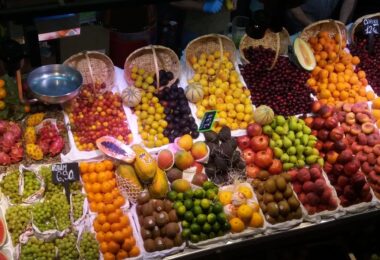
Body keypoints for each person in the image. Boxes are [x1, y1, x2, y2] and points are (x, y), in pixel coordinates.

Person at [286, 0, 357, 33]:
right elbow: (293, 8)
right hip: (302, 24)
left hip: (329, 20)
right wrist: (312, 25)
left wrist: (341, 23)